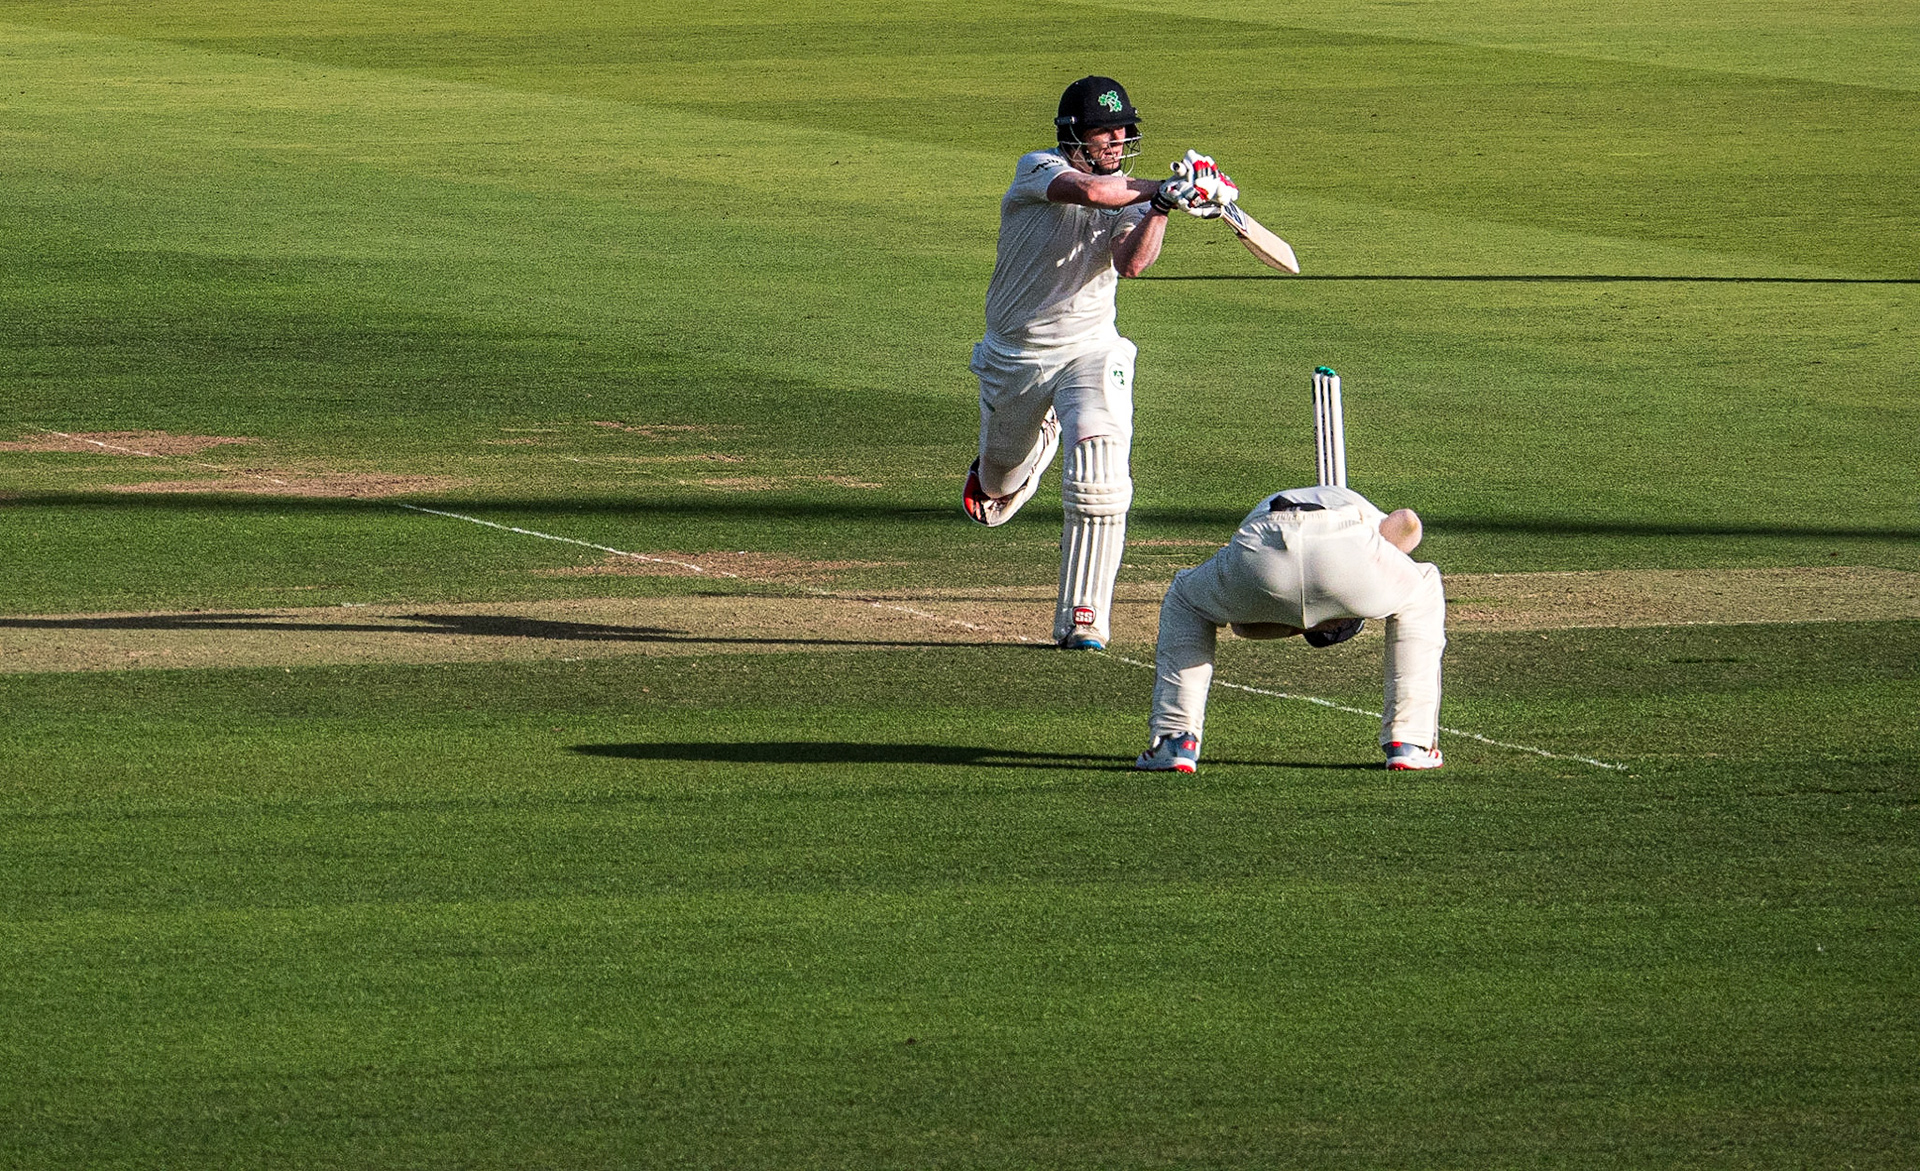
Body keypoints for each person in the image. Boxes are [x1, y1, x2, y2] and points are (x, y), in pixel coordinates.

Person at [961, 76, 1232, 650]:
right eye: (1102, 130)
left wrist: (1162, 206)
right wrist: (1167, 186)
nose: (1115, 139)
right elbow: (1090, 194)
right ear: (1072, 136)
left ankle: (1083, 614)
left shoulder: (1131, 192)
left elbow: (1131, 264)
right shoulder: (1038, 168)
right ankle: (1026, 451)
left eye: (1121, 129)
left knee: (1100, 478)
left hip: (1092, 348)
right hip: (1016, 354)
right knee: (993, 490)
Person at [1134, 484, 1447, 773]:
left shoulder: (1350, 508)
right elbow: (1407, 522)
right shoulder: (1367, 545)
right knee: (1424, 584)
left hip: (1265, 543)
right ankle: (1409, 740)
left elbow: (1245, 626)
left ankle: (1176, 739)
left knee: (1187, 599)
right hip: (1335, 545)